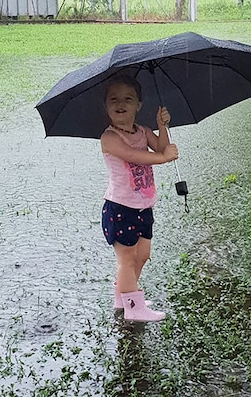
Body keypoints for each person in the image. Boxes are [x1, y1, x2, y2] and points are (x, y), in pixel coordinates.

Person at [100, 74, 178, 322]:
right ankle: (134, 308)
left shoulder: (143, 131)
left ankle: (123, 296)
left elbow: (159, 147)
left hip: (143, 206)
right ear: (106, 106)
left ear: (138, 105)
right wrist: (164, 158)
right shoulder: (110, 138)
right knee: (127, 258)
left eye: (128, 98)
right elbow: (136, 156)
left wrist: (162, 125)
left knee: (142, 255)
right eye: (113, 99)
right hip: (120, 207)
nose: (120, 103)